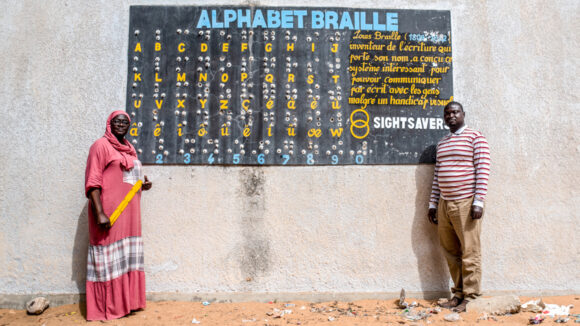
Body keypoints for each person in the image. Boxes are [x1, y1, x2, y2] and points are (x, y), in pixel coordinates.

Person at [84, 110, 152, 320]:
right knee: (108, 258)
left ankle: (128, 304)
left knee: (126, 258)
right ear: (109, 124)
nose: (121, 124)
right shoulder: (100, 146)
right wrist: (100, 213)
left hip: (130, 216)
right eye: (117, 121)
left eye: (125, 121)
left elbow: (126, 179)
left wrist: (143, 183)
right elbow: (93, 181)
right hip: (109, 214)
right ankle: (107, 308)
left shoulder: (130, 150)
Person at [428, 101, 491, 313]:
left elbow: (483, 168)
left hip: (466, 202)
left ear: (463, 114)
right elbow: (437, 175)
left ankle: (471, 297)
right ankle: (458, 294)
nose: (451, 116)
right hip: (445, 203)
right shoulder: (442, 143)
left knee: (470, 251)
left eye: (455, 112)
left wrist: (478, 201)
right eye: (447, 113)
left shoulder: (475, 137)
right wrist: (433, 204)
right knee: (450, 251)